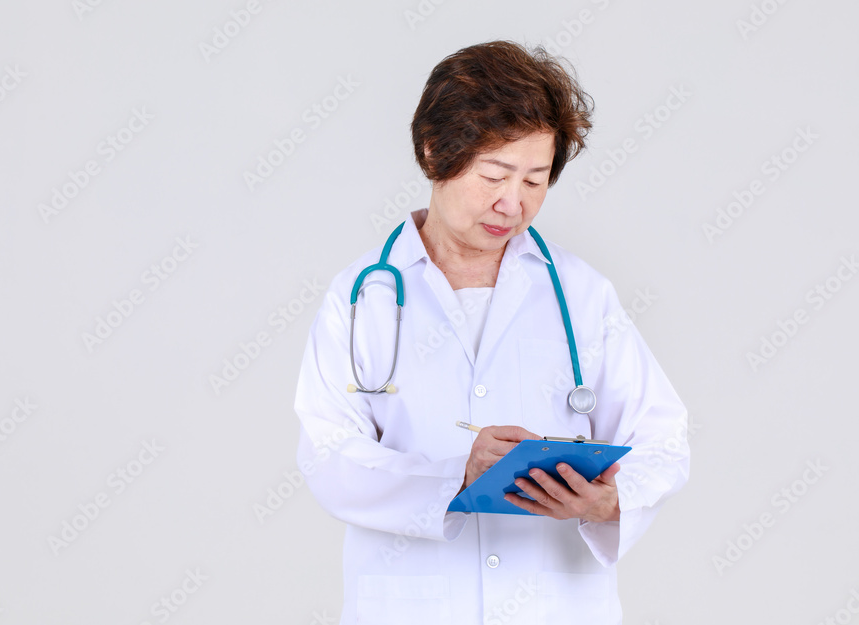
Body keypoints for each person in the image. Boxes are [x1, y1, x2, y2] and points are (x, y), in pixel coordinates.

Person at [294, 40, 690, 624]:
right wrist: (455, 474)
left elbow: (663, 440)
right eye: (494, 175)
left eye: (535, 181)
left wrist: (614, 500)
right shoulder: (363, 299)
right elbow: (329, 456)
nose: (513, 203)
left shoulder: (581, 295)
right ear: (434, 153)